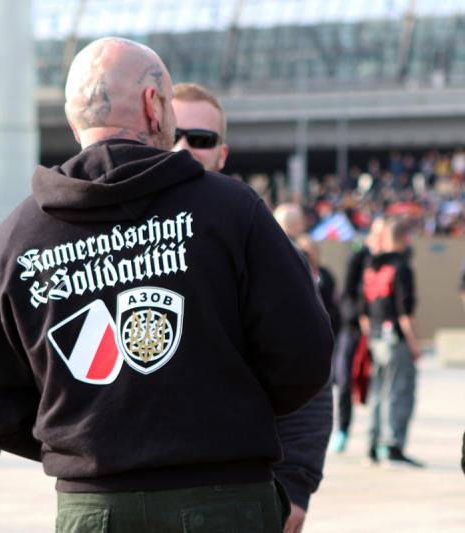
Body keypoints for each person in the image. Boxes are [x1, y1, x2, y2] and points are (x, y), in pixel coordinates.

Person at [0, 37, 333, 533]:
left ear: (75, 120)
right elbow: (305, 355)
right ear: (154, 105)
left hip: (92, 510)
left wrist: (84, 441)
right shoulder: (232, 210)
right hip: (224, 499)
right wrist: (230, 417)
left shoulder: (14, 238)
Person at [174, 83, 334, 533]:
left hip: (238, 494)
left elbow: (310, 373)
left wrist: (296, 487)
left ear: (221, 154)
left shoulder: (263, 244)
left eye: (201, 139)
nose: (185, 148)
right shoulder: (117, 241)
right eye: (173, 134)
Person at [360, 217, 423, 468]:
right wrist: (414, 344)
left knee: (378, 392)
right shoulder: (401, 267)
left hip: (376, 337)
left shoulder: (371, 266)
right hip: (395, 339)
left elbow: (364, 310)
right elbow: (405, 312)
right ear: (404, 238)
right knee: (399, 391)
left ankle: (373, 446)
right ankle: (393, 447)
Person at [331, 217, 385, 454]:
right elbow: (347, 297)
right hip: (353, 330)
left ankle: (379, 440)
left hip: (380, 332)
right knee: (344, 380)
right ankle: (342, 430)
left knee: (380, 386)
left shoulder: (394, 260)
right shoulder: (359, 257)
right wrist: (359, 318)